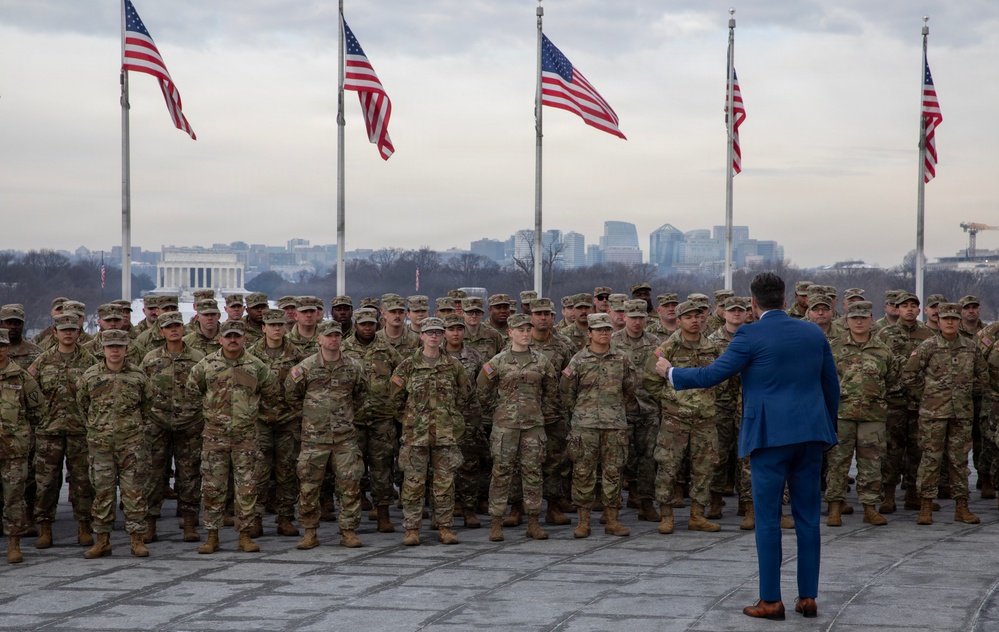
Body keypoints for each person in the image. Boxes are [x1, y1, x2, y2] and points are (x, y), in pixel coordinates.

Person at [656, 272, 838, 620]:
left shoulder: (749, 334)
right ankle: (808, 598)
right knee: (808, 519)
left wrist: (671, 372)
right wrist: (825, 430)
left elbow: (712, 374)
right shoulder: (813, 332)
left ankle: (771, 600)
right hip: (811, 435)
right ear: (785, 300)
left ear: (753, 304)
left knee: (768, 519)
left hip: (769, 437)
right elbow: (831, 386)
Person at [476, 313, 560, 542]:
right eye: (520, 330)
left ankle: (533, 522)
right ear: (510, 332)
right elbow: (482, 391)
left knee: (533, 474)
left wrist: (540, 412)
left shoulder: (542, 361)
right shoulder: (498, 362)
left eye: (527, 330)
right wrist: (499, 410)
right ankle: (496, 523)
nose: (525, 334)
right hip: (506, 427)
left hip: (533, 426)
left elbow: (552, 393)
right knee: (501, 473)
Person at [389, 317, 473, 546]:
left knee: (445, 483)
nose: (434, 336)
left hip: (445, 434)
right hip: (416, 436)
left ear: (443, 335)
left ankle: (444, 527)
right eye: (429, 332)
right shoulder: (408, 365)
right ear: (422, 336)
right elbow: (395, 398)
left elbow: (465, 395)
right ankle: (412, 529)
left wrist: (451, 417)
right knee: (413, 483)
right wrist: (409, 420)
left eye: (438, 332)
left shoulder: (453, 365)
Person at [286, 320, 367, 549]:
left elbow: (361, 395)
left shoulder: (353, 367)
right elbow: (292, 395)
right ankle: (310, 532)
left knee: (350, 485)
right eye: (328, 336)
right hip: (314, 439)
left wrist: (345, 418)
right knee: (309, 486)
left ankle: (348, 531)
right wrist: (311, 419)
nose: (333, 340)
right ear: (319, 339)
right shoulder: (305, 368)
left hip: (344, 438)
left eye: (337, 336)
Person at [77, 330, 153, 558]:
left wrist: (134, 429)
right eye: (111, 346)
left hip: (131, 444)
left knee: (134, 493)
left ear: (127, 349)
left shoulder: (138, 376)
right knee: (102, 493)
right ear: (102, 349)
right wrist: (97, 430)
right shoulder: (90, 377)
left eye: (120, 346)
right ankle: (102, 540)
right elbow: (82, 406)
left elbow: (148, 406)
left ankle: (137, 539)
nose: (115, 350)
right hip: (101, 446)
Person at [0, 328, 46, 563]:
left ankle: (14, 543)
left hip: (13, 450)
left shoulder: (21, 376)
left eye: (2, 346)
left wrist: (24, 434)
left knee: (14, 498)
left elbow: (39, 410)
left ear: (8, 348)